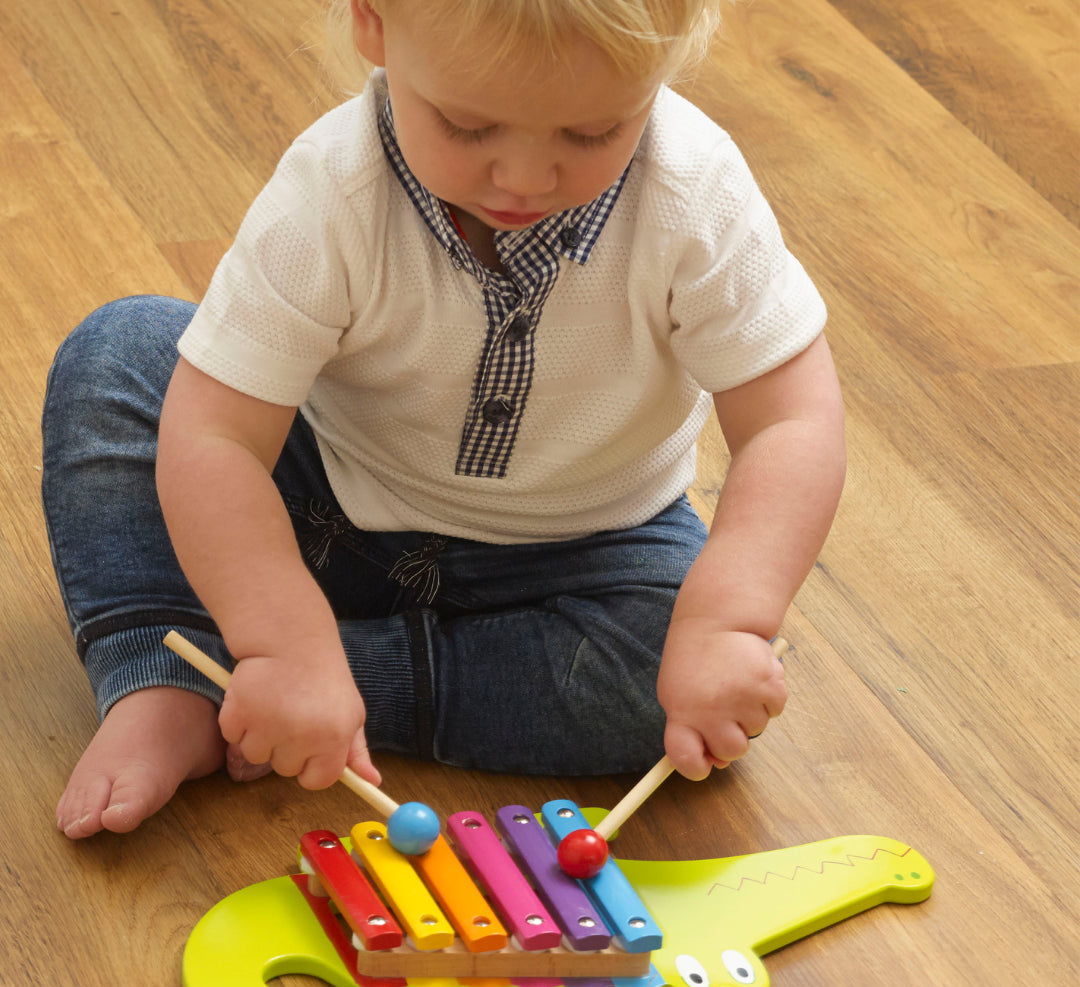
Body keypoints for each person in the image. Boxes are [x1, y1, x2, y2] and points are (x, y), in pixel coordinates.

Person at [43, 0, 846, 839]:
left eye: (592, 133)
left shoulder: (696, 192)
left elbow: (793, 419)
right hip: (330, 507)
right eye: (468, 126)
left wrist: (726, 623)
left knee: (652, 675)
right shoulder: (334, 190)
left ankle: (243, 678)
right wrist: (280, 639)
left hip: (586, 553)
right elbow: (219, 438)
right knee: (122, 354)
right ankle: (166, 674)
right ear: (373, 24)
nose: (527, 178)